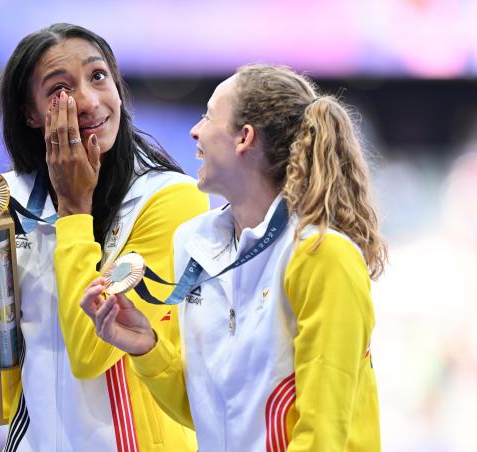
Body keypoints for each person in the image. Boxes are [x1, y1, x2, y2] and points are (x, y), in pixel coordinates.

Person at [80, 64, 386, 451]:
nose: (195, 130)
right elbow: (213, 414)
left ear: (244, 138)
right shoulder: (196, 248)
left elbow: (322, 435)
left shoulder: (322, 255)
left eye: (208, 115)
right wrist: (147, 347)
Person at [0, 23, 206, 452]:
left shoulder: (168, 201)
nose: (88, 101)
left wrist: (74, 209)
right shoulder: (11, 206)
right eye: (60, 89)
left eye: (98, 77)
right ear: (31, 113)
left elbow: (90, 355)